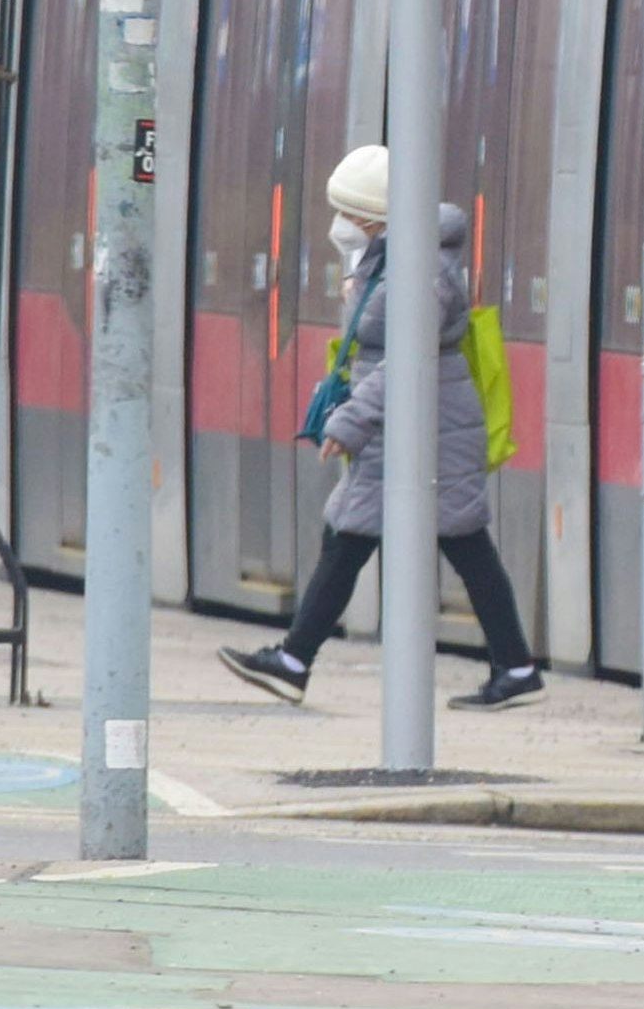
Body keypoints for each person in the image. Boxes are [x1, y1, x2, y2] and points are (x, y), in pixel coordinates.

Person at [220, 145, 543, 712]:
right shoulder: (396, 259)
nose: (340, 224)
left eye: (349, 213)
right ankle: (513, 668)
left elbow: (406, 360)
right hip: (412, 424)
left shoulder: (421, 271)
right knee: (383, 538)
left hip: (426, 428)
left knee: (386, 538)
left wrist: (350, 422)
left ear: (376, 216)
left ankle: (295, 661)